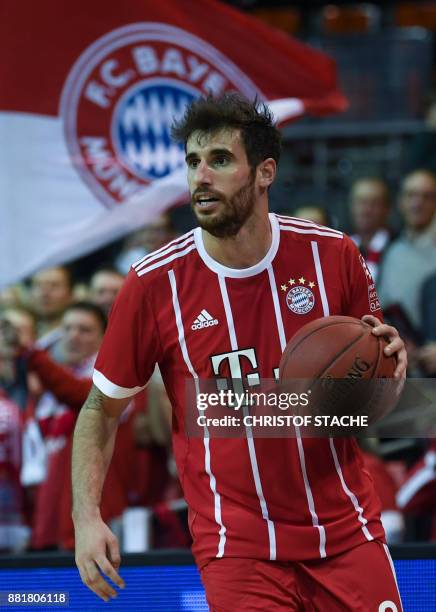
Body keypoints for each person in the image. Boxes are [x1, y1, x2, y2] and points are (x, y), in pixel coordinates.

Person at [72, 94, 407, 610]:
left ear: (265, 171)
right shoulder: (153, 283)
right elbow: (101, 408)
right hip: (238, 547)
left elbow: (375, 394)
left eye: (220, 160)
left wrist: (393, 371)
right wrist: (86, 518)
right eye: (191, 162)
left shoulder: (332, 254)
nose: (200, 177)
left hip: (345, 530)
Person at [377, 169, 436, 336]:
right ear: (400, 201)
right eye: (411, 195)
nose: (418, 203)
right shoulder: (392, 252)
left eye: (427, 196)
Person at [349, 177, 392, 283]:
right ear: (351, 206)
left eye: (374, 203)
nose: (366, 210)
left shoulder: (397, 246)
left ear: (387, 209)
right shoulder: (340, 246)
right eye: (361, 202)